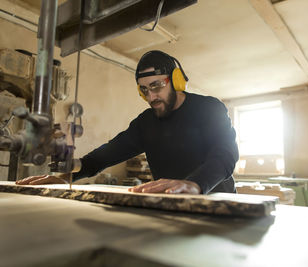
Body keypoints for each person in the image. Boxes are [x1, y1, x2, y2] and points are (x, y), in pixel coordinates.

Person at [17, 50, 239, 194]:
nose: (151, 97)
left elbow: (226, 154)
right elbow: (103, 157)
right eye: (144, 90)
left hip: (219, 203)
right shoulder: (146, 123)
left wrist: (195, 184)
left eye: (156, 86)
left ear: (176, 80)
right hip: (173, 204)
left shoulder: (209, 108)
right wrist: (65, 177)